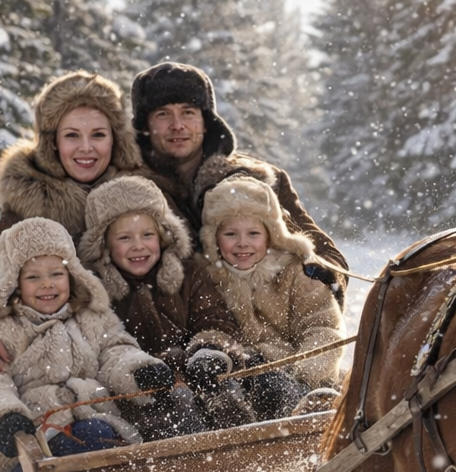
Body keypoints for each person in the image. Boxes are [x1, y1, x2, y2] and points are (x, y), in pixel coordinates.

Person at [0, 70, 143, 377]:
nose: (86, 147)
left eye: (98, 135)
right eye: (72, 135)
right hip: (64, 365)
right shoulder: (33, 204)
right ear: (53, 143)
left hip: (138, 354)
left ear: (115, 139)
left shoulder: (140, 195)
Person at [0, 217, 174, 472]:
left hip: (95, 423)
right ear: (14, 284)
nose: (47, 284)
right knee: (92, 441)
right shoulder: (0, 332)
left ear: (72, 275)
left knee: (156, 426)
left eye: (56, 274)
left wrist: (138, 371)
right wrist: (4, 418)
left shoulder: (92, 318)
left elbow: (115, 351)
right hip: (25, 448)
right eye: (33, 277)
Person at [130, 62, 348, 301]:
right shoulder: (127, 190)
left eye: (188, 112)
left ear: (206, 122)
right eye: (163, 114)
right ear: (145, 126)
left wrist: (319, 278)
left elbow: (327, 255)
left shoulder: (260, 180)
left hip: (265, 317)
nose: (177, 125)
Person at [80, 175, 257, 432]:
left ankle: (251, 444)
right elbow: (105, 349)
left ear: (163, 237)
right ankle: (197, 454)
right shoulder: (96, 291)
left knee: (225, 390)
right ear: (104, 245)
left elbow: (214, 319)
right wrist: (146, 372)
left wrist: (208, 351)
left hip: (196, 371)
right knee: (178, 409)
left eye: (147, 235)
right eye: (125, 238)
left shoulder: (189, 274)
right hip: (142, 392)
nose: (138, 246)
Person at [196, 176, 346, 421]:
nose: (242, 243)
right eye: (231, 234)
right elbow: (206, 326)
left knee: (274, 388)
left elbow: (322, 328)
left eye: (253, 233)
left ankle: (298, 416)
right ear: (214, 238)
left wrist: (305, 374)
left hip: (294, 373)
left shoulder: (294, 273)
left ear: (271, 235)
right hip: (237, 375)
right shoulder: (207, 279)